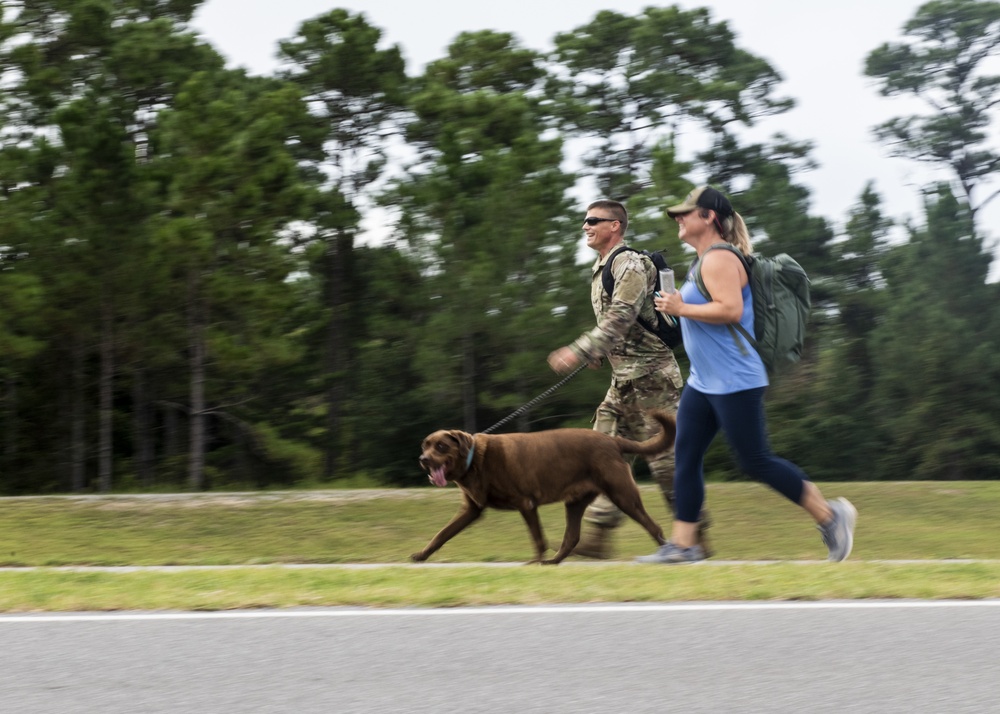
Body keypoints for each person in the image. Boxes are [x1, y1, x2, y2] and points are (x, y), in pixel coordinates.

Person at [638, 186, 856, 564]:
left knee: (755, 460)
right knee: (685, 456)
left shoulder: (720, 258)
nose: (678, 218)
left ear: (709, 217)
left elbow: (731, 311)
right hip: (705, 381)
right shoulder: (701, 260)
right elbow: (703, 314)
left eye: (686, 213)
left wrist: (681, 308)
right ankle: (684, 545)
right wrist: (671, 310)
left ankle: (831, 516)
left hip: (735, 379)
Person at [548, 199, 710, 559]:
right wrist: (600, 353)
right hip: (623, 381)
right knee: (600, 458)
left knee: (666, 462)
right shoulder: (603, 265)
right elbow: (619, 327)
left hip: (653, 379)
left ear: (615, 226)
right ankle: (597, 538)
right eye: (584, 221)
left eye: (593, 220)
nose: (585, 226)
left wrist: (580, 349)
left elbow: (622, 316)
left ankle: (696, 534)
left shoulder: (629, 264)